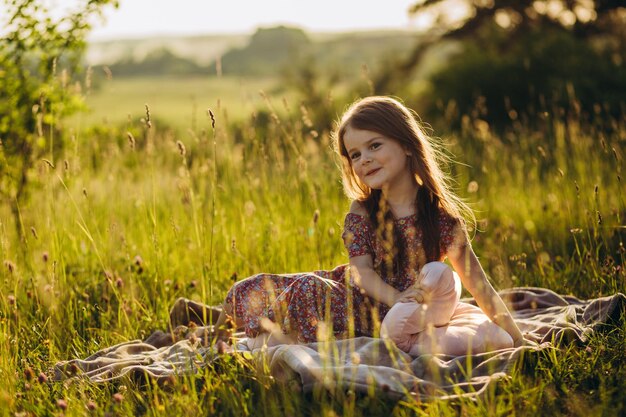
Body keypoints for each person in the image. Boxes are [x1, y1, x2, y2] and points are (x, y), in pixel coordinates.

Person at [190, 96, 524, 355]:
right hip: (362, 301)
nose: (363, 160)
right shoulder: (363, 211)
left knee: (299, 303)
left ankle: (267, 336)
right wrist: (397, 298)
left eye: (374, 146)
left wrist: (519, 340)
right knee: (263, 288)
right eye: (355, 154)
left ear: (407, 145)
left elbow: (480, 286)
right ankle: (217, 342)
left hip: (406, 318)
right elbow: (361, 274)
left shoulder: (440, 217)